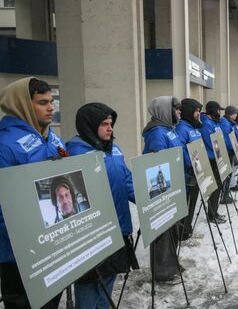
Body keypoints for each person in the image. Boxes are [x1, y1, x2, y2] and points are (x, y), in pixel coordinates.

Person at [0, 77, 65, 308]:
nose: (51, 108)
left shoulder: (52, 137)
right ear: (23, 105)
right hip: (21, 256)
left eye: (51, 101)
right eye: (42, 102)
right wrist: (27, 243)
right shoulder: (5, 144)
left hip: (53, 244)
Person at [67, 102, 139, 309]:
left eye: (111, 123)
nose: (110, 128)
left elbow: (127, 180)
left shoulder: (114, 149)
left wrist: (149, 199)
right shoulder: (75, 153)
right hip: (93, 236)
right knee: (90, 286)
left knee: (109, 280)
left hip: (118, 228)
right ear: (89, 126)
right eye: (104, 124)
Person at [142, 96, 187, 283]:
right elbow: (157, 163)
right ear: (165, 111)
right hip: (164, 190)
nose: (179, 112)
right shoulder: (157, 133)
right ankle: (162, 272)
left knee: (173, 230)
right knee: (163, 230)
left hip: (176, 185)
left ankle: (171, 263)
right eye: (176, 109)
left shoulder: (169, 130)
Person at [174, 98, 203, 240]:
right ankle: (182, 231)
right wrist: (190, 162)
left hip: (197, 171)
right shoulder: (181, 129)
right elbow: (179, 150)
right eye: (196, 111)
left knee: (192, 202)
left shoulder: (194, 127)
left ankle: (187, 227)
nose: (198, 114)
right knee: (185, 203)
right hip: (187, 173)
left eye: (199, 111)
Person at [199, 101, 228, 223]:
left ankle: (214, 212)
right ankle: (211, 215)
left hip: (218, 158)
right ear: (212, 111)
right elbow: (212, 142)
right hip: (211, 159)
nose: (220, 113)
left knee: (219, 186)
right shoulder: (206, 124)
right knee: (215, 188)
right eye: (218, 110)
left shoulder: (215, 123)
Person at [220, 105, 238, 201]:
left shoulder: (229, 122)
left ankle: (226, 194)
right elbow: (227, 138)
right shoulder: (225, 123)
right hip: (228, 151)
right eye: (235, 113)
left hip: (231, 150)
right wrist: (233, 148)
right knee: (227, 175)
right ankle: (225, 195)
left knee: (230, 173)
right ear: (231, 114)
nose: (237, 115)